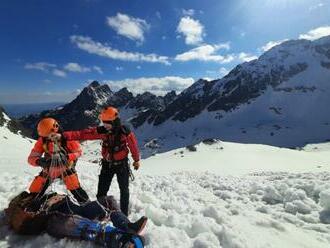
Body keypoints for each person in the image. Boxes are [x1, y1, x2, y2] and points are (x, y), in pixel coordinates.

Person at [51, 107, 140, 216]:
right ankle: (101, 213)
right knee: (101, 191)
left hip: (122, 165)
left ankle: (124, 215)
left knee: (124, 190)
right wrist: (63, 136)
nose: (105, 125)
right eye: (104, 122)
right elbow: (82, 134)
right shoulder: (102, 131)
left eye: (108, 122)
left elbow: (133, 146)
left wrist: (136, 160)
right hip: (107, 165)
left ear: (115, 121)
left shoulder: (125, 132)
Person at [5, 191, 147, 247]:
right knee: (76, 224)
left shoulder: (39, 195)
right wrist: (46, 205)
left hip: (76, 209)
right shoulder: (25, 210)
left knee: (108, 201)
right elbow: (25, 223)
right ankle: (118, 240)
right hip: (56, 219)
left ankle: (127, 226)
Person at [27, 117, 89, 204]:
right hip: (50, 168)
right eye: (46, 137)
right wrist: (39, 161)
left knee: (74, 186)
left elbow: (78, 152)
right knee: (36, 188)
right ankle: (31, 203)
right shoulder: (43, 140)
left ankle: (86, 204)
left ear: (56, 130)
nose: (49, 138)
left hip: (66, 167)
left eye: (51, 135)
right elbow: (31, 158)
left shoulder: (68, 138)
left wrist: (67, 157)